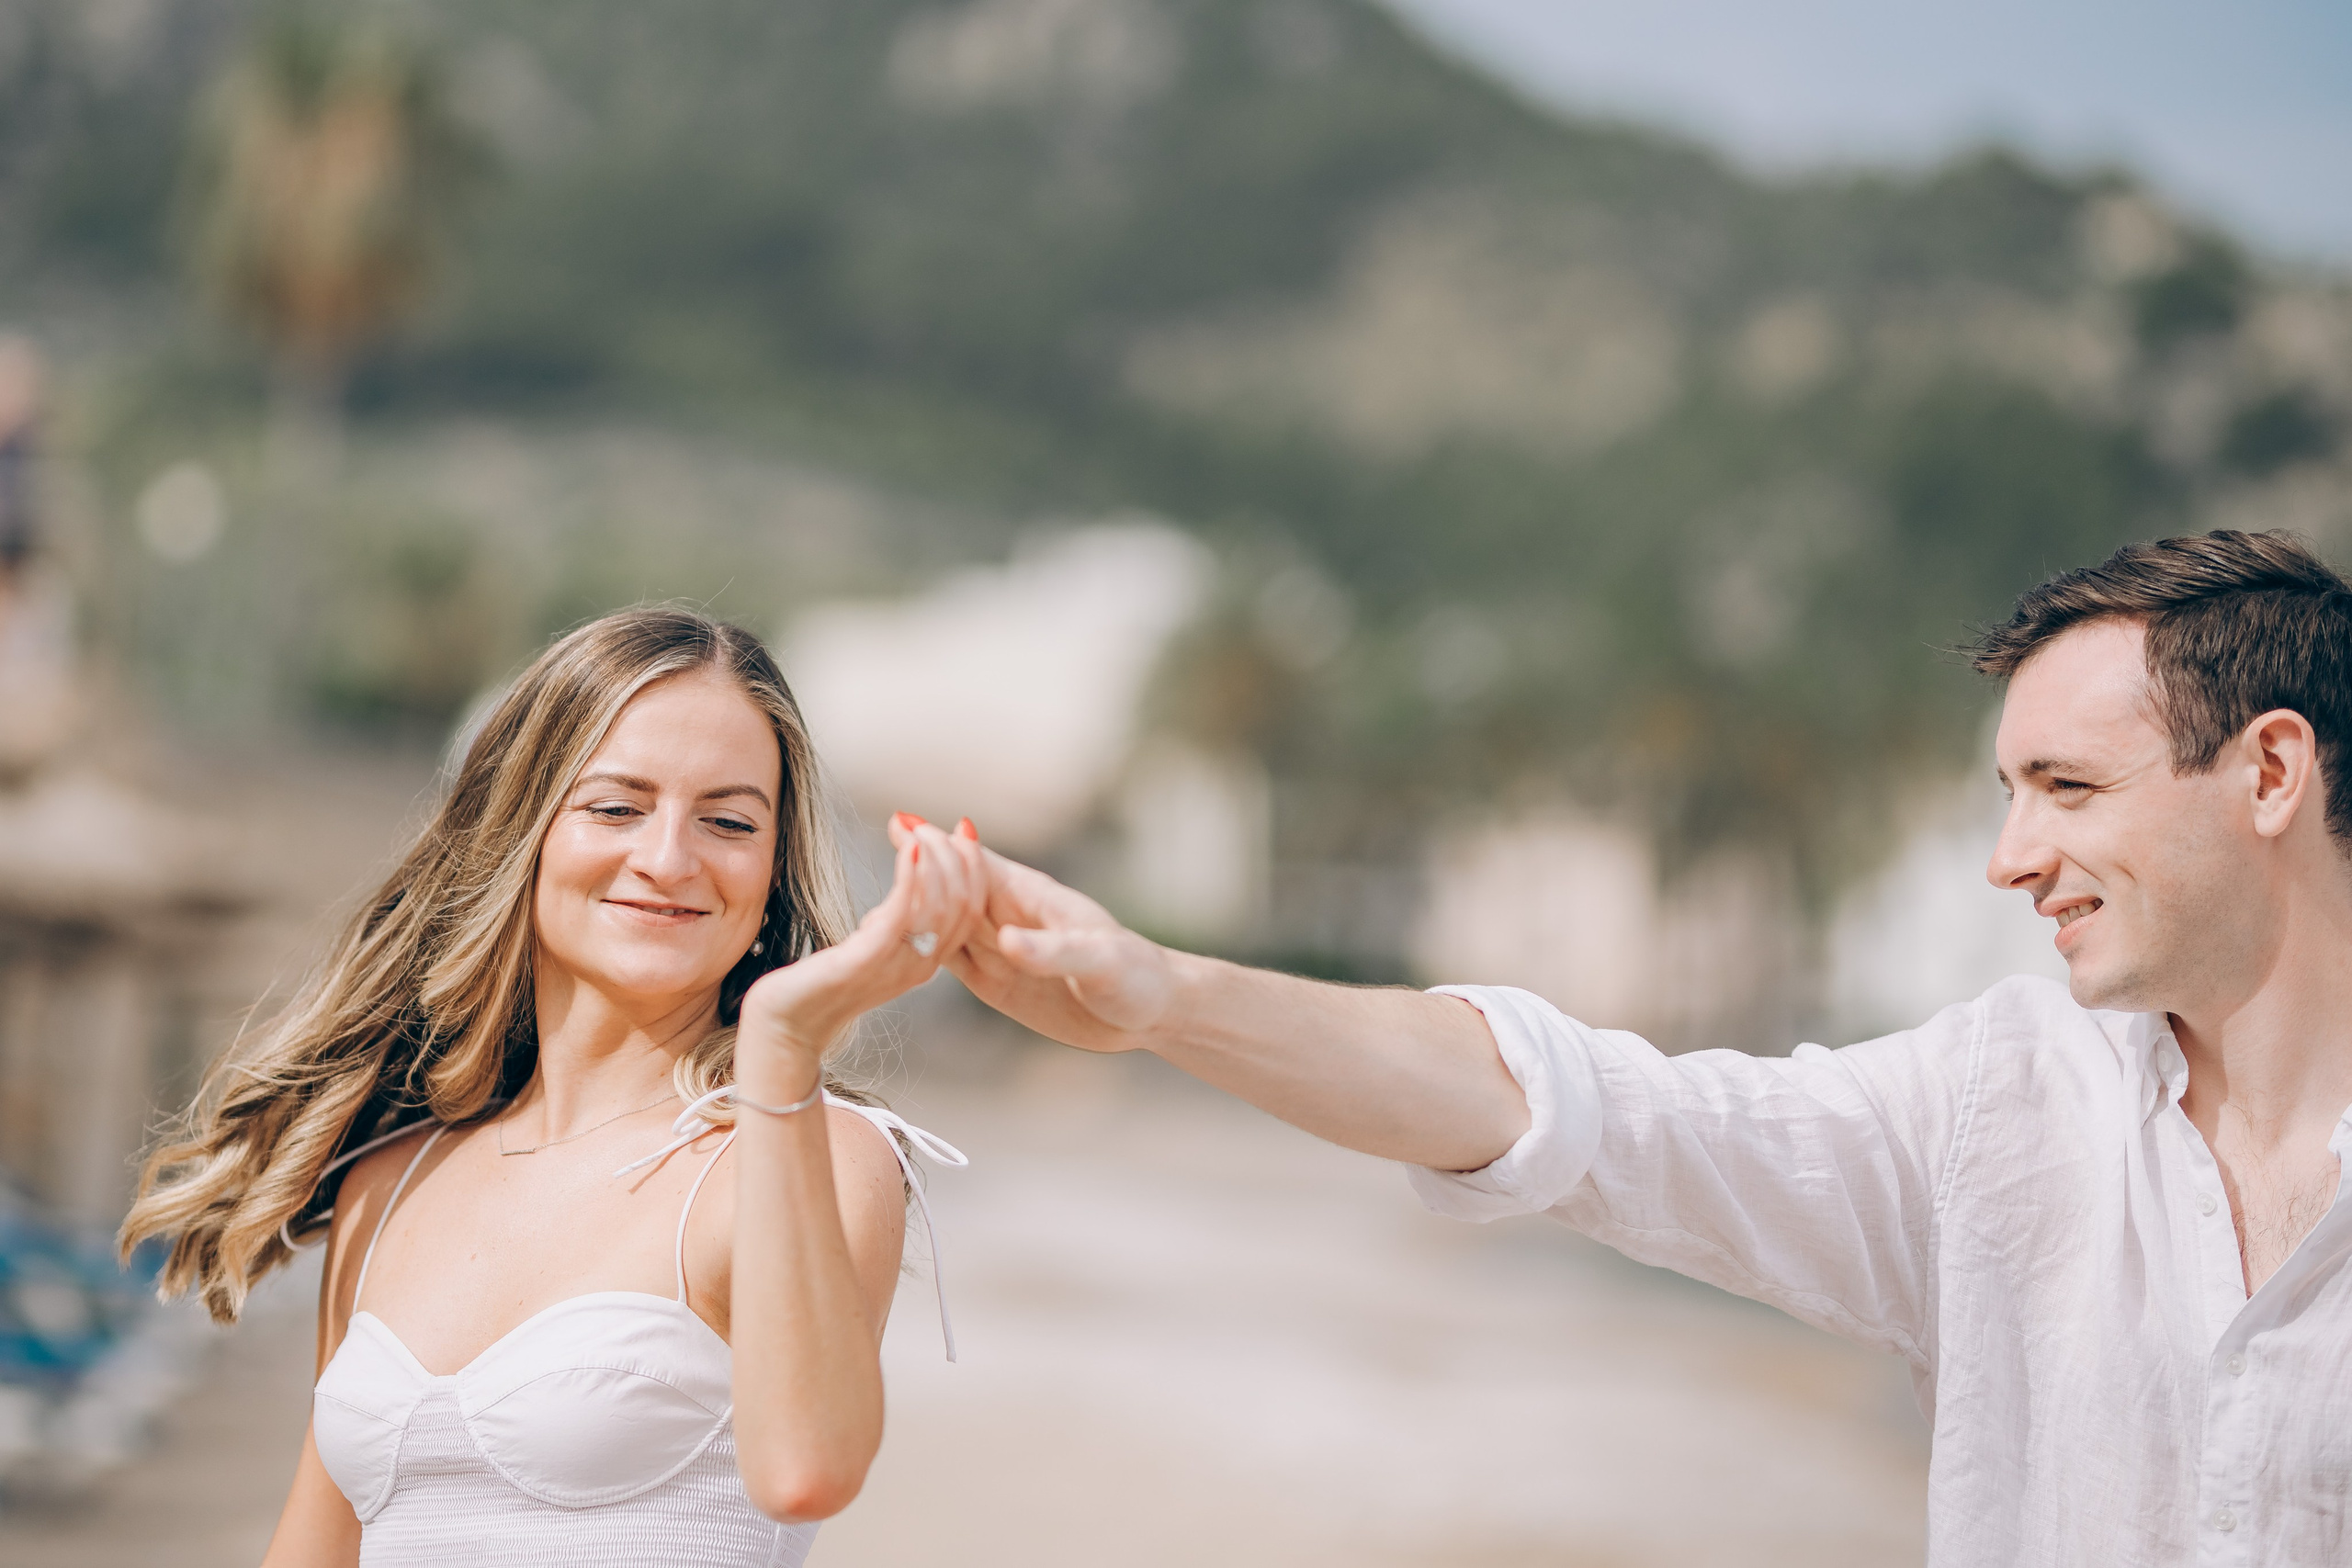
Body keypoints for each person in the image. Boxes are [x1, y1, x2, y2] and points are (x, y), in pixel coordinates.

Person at [943, 528, 2352, 1566]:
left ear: (2271, 772)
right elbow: (1574, 1106)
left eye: (2067, 787)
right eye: (2005, 793)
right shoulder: (1996, 1104)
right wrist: (1163, 991)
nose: (2009, 856)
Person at [120, 607, 990, 1567]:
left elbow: (805, 1475)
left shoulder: (803, 1151)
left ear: (773, 871)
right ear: (521, 830)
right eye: (616, 807)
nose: (668, 859)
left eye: (728, 821)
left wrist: (780, 1052)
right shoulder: (392, 1183)